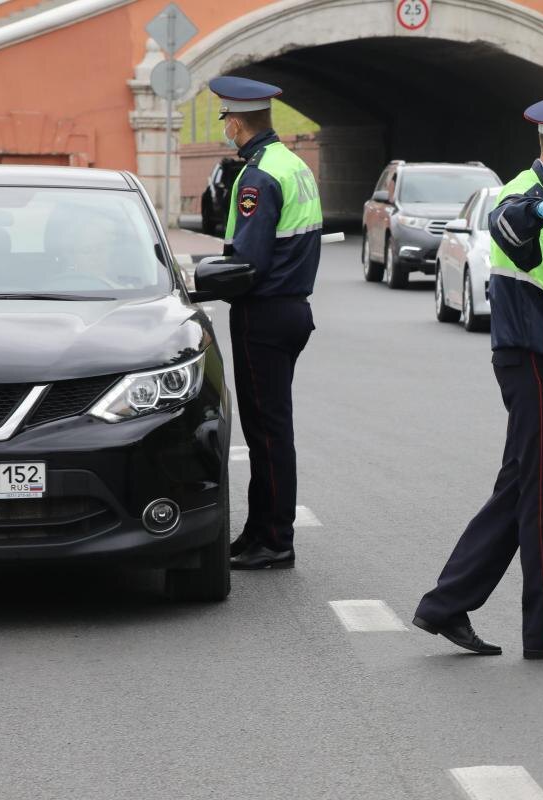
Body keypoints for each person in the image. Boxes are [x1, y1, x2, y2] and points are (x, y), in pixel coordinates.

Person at [413, 88, 543, 661]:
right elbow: (506, 224)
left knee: (519, 491)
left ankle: (446, 604)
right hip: (528, 359)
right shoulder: (525, 194)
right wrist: (537, 211)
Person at [208, 76, 323, 570]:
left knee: (266, 432)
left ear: (236, 122)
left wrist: (200, 284)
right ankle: (260, 531)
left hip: (264, 313)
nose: (227, 129)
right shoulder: (293, 164)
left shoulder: (257, 177)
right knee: (268, 428)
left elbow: (247, 263)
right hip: (291, 308)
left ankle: (274, 540)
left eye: (226, 121)